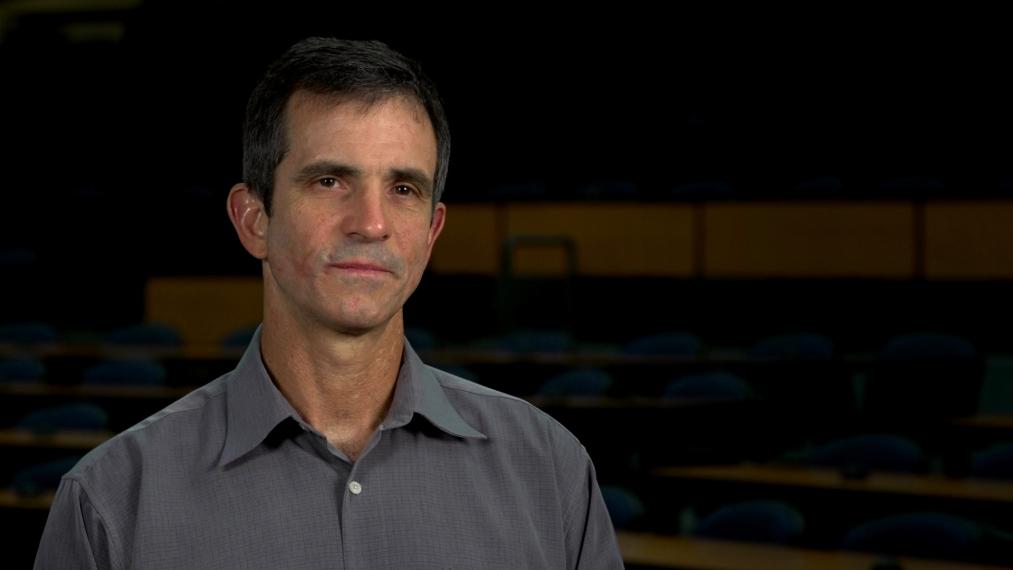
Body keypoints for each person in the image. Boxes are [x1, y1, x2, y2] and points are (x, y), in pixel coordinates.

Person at [35, 37, 623, 569]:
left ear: (431, 233)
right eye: (329, 181)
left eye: (403, 189)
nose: (371, 223)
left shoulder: (550, 471)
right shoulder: (110, 502)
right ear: (253, 219)